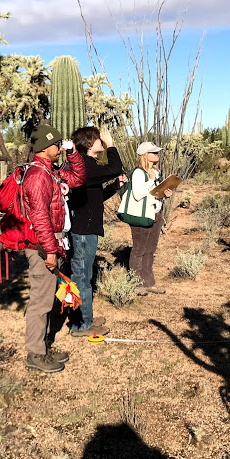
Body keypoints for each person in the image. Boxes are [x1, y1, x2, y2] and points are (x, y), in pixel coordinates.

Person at [21, 125, 86, 373]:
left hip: (52, 243)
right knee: (40, 302)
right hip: (42, 246)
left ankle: (43, 346)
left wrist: (72, 154)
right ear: (44, 148)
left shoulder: (51, 172)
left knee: (47, 299)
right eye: (57, 145)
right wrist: (50, 251)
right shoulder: (38, 177)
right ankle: (35, 354)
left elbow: (78, 178)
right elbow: (39, 218)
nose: (60, 147)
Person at [67, 127, 127, 337]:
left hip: (86, 228)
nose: (102, 140)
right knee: (81, 277)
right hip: (82, 231)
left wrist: (113, 187)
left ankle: (85, 317)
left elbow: (95, 198)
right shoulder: (84, 165)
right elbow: (114, 167)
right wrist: (111, 144)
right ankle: (81, 325)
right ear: (88, 143)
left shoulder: (87, 167)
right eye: (98, 138)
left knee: (84, 276)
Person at [128, 142, 172, 296]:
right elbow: (138, 194)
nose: (157, 155)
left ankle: (149, 282)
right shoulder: (138, 173)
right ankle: (136, 283)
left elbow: (153, 194)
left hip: (156, 214)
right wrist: (151, 180)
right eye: (153, 153)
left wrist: (164, 193)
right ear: (145, 155)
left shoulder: (156, 172)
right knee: (139, 249)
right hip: (141, 215)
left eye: (157, 152)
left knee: (150, 250)